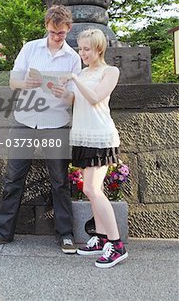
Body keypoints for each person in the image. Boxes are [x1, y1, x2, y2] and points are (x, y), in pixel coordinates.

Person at [0, 5, 81, 253]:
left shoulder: (73, 58)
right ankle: (3, 233)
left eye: (61, 33)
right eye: (53, 31)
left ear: (68, 29)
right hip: (24, 121)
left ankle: (65, 235)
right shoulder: (30, 48)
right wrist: (26, 82)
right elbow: (13, 81)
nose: (57, 36)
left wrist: (65, 94)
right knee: (14, 178)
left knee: (59, 182)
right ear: (46, 26)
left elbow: (76, 97)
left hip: (56, 124)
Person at [63, 28, 128, 268]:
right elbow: (76, 101)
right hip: (82, 136)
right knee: (91, 189)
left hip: (101, 137)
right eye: (80, 49)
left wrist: (74, 79)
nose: (82, 53)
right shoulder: (81, 73)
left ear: (99, 48)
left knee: (92, 189)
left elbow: (95, 98)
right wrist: (61, 91)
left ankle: (117, 245)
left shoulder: (110, 71)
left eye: (87, 49)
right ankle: (101, 238)